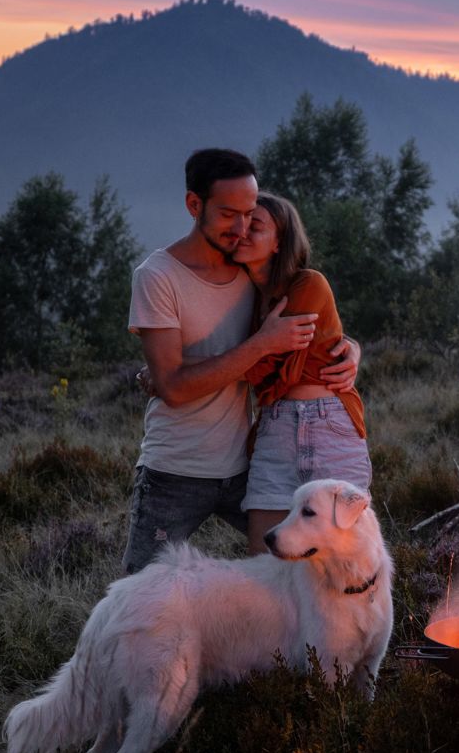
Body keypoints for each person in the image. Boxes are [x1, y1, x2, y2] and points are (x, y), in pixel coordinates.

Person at [123, 148, 358, 574]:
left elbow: (303, 325)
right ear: (195, 205)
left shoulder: (249, 274)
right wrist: (263, 344)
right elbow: (175, 388)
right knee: (141, 587)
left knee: (294, 571)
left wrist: (349, 347)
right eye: (229, 214)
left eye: (250, 214)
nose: (242, 227)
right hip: (176, 470)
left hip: (247, 465)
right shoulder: (157, 277)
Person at [232, 193, 372, 553]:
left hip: (330, 426)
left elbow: (280, 371)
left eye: (255, 225)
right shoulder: (244, 295)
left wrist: (234, 363)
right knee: (264, 559)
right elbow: (266, 368)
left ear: (280, 242)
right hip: (275, 429)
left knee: (344, 558)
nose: (242, 231)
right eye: (241, 222)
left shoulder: (308, 283)